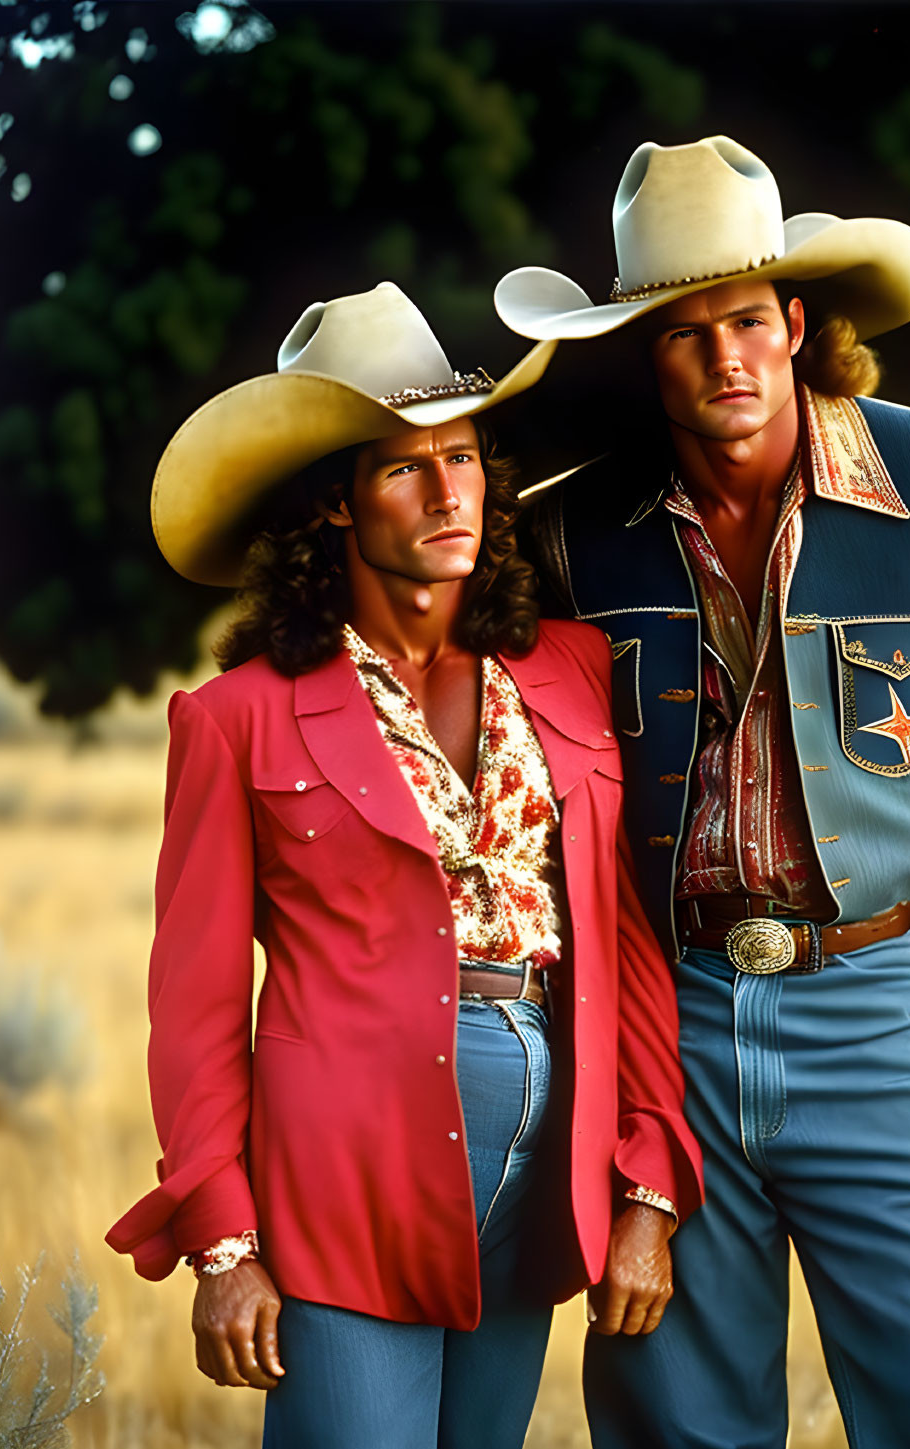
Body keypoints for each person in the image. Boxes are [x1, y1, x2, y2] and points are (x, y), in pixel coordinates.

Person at [496, 137, 910, 1447]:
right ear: (644, 352)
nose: (724, 357)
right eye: (683, 331)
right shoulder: (563, 535)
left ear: (793, 323)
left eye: (744, 320)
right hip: (670, 1028)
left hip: (876, 1008)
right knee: (680, 1431)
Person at [105, 281, 702, 1449]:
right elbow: (194, 1006)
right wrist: (224, 1244)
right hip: (341, 1175)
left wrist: (646, 1179)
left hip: (546, 1170)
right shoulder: (236, 720)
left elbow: (623, 940)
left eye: (467, 459)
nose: (449, 493)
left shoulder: (571, 668)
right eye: (404, 468)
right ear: (334, 501)